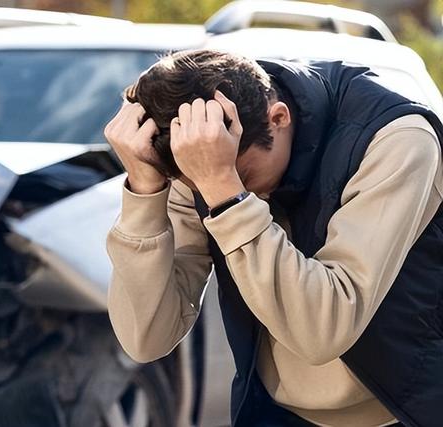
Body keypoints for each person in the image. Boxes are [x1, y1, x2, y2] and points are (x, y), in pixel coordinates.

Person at [104, 50, 443, 426]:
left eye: (243, 177)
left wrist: (226, 192)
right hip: (275, 411)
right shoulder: (202, 154)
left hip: (405, 411)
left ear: (279, 118)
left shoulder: (396, 139)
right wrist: (144, 191)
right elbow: (146, 338)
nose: (211, 191)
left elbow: (321, 331)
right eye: (201, 182)